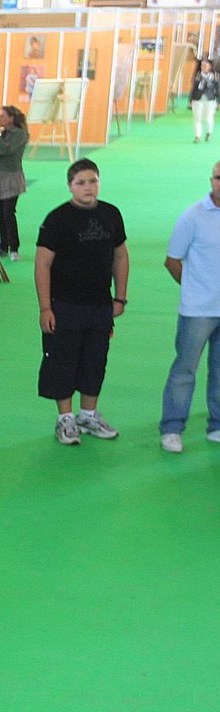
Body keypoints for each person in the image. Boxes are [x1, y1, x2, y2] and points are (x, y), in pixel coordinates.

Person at [35, 159, 128, 445]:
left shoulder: (111, 214)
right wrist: (45, 308)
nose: (88, 187)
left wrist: (120, 297)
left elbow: (120, 256)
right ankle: (66, 419)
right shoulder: (57, 219)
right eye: (81, 183)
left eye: (93, 181)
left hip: (100, 305)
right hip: (63, 306)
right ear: (70, 186)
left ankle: (88, 414)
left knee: (95, 360)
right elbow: (42, 264)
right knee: (62, 361)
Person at [158, 160, 220, 453]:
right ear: (212, 180)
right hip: (197, 310)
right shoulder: (192, 217)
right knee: (185, 369)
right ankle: (172, 427)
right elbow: (172, 261)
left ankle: (217, 424)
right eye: (219, 177)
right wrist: (194, 288)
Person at [0, 106, 29, 262]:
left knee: (8, 213)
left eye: (2, 116)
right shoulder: (4, 134)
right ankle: (3, 246)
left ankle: (14, 247)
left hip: (12, 177)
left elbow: (5, 150)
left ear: (11, 118)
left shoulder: (20, 134)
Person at [190, 58, 218, 144]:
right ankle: (198, 136)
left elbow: (218, 89)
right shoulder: (198, 76)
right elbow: (193, 89)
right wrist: (190, 100)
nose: (203, 67)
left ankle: (209, 132)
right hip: (197, 99)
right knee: (197, 118)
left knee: (208, 117)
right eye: (202, 65)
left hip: (210, 99)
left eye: (206, 65)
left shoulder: (214, 77)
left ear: (210, 67)